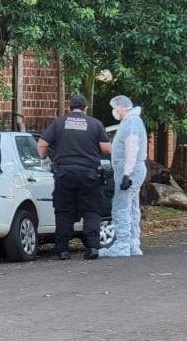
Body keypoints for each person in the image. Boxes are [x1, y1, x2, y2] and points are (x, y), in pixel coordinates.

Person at [38, 94, 111, 260]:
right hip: (89, 174)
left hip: (64, 173)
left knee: (64, 211)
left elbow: (42, 144)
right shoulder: (95, 124)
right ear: (86, 108)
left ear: (68, 107)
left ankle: (63, 250)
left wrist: (45, 160)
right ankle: (92, 247)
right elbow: (106, 149)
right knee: (91, 210)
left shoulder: (58, 123)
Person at [100, 95, 147, 257]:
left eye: (115, 108)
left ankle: (122, 244)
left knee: (121, 206)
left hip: (129, 170)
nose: (114, 111)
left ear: (121, 107)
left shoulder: (131, 123)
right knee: (132, 206)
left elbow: (131, 149)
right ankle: (133, 243)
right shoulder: (131, 122)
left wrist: (127, 174)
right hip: (133, 170)